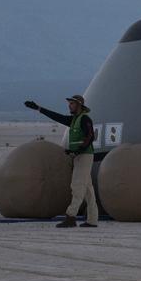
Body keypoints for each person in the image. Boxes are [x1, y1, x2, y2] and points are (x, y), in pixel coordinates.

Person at [24, 94, 98, 228]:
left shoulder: (84, 119)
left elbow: (90, 136)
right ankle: (92, 220)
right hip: (78, 156)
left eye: (72, 103)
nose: (69, 105)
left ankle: (71, 217)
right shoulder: (74, 120)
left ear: (79, 105)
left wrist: (79, 149)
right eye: (69, 103)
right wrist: (39, 108)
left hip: (84, 156)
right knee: (87, 189)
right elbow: (57, 117)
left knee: (77, 186)